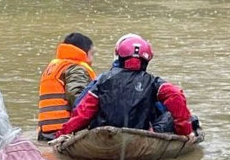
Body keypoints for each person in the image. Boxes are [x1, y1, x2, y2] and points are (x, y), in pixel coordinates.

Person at [56, 33, 198, 139]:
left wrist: (62, 133)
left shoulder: (103, 79)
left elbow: (83, 113)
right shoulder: (152, 81)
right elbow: (176, 96)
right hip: (141, 133)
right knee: (174, 115)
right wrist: (185, 130)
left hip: (103, 132)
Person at [37, 32, 96, 141]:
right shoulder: (75, 68)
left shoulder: (55, 67)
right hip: (63, 131)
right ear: (84, 52)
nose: (92, 60)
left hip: (45, 132)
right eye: (92, 54)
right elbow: (77, 97)